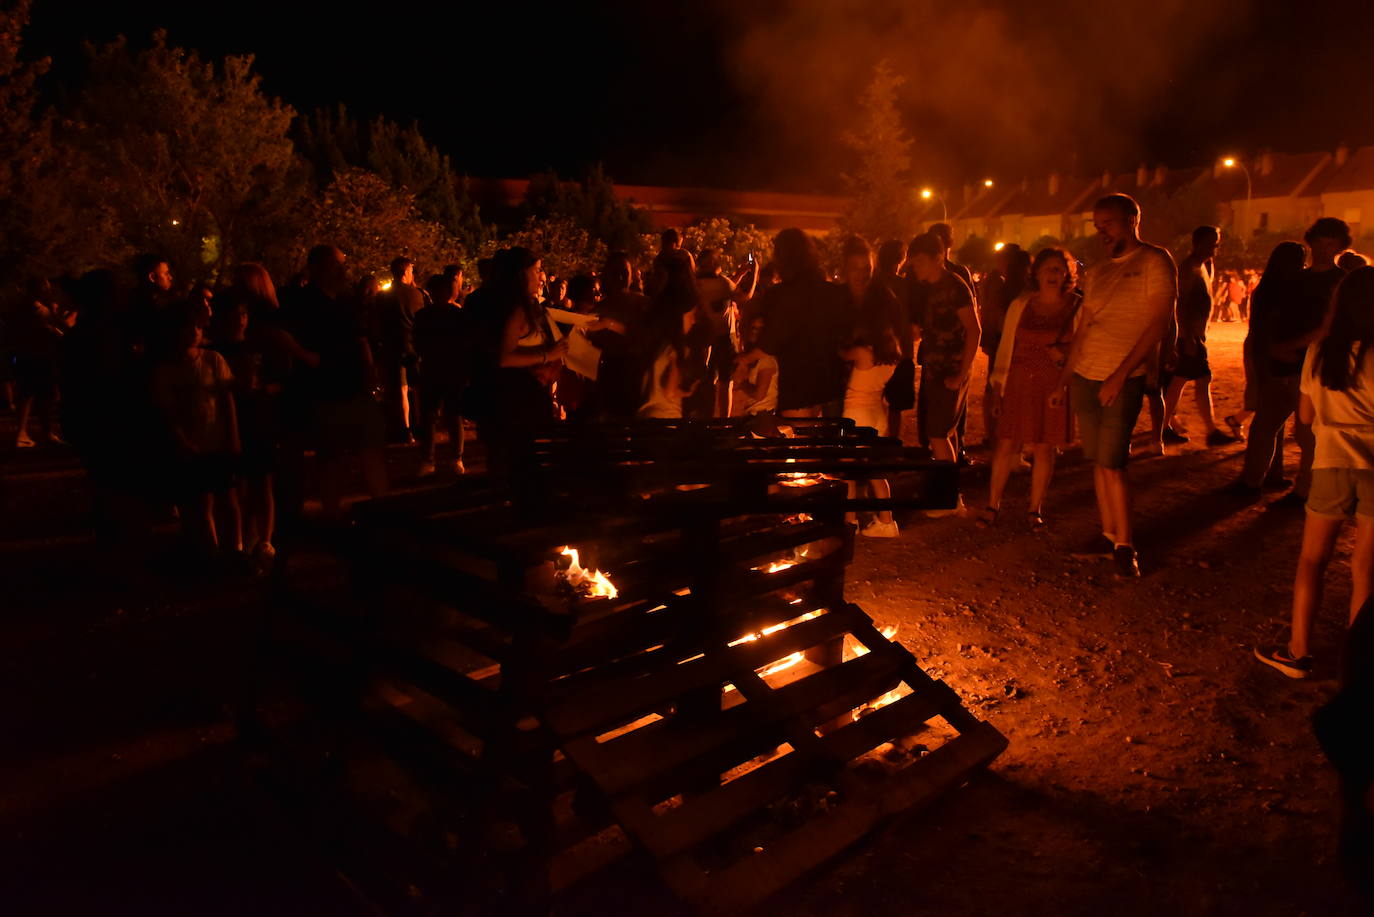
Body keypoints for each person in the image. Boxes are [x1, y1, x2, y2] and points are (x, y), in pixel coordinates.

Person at [1256, 267, 1374, 679]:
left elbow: (1304, 415)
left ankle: (1298, 652)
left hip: (1331, 463)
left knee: (1312, 560)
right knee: (1366, 568)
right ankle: (1359, 658)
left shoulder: (1322, 352)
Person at [1055, 193, 1176, 578]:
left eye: (1107, 223)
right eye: (1097, 225)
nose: (1101, 231)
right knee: (1098, 462)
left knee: (1114, 462)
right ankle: (1109, 535)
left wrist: (1121, 375)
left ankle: (1126, 545)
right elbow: (1084, 328)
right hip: (1086, 375)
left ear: (1132, 219)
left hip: (1121, 379)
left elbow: (1158, 323)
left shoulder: (1155, 261)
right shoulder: (1100, 271)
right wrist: (1065, 379)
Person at [1231, 219, 1352, 503]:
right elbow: (1276, 318)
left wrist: (1288, 347)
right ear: (1311, 242)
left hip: (1315, 368)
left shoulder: (1342, 282)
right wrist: (1272, 350)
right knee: (1263, 427)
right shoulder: (1295, 279)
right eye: (1320, 241)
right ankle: (1251, 483)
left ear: (1340, 246)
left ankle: (1304, 491)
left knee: (1306, 433)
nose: (1324, 248)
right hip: (1281, 366)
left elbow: (1331, 327)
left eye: (1331, 243)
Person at [280, 245, 388, 521]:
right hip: (326, 390)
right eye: (336, 264)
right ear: (317, 268)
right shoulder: (301, 302)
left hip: (353, 387)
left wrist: (369, 369)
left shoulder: (345, 301)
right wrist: (307, 357)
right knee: (331, 456)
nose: (342, 270)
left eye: (343, 264)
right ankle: (332, 513)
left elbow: (359, 338)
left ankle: (385, 511)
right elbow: (277, 333)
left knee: (370, 449)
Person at [983, 247, 1080, 529]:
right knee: (1006, 444)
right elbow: (1006, 347)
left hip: (1053, 384)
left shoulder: (1076, 306)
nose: (1053, 273)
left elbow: (1085, 345)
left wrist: (1064, 354)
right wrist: (998, 386)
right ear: (1036, 273)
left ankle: (1034, 509)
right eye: (1047, 268)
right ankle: (992, 504)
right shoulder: (1021, 304)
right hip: (1019, 382)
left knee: (1044, 448)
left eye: (1059, 269)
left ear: (1067, 274)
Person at [151, 309, 242, 557]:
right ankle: (210, 552)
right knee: (201, 502)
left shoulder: (213, 359)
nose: (195, 333)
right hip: (191, 445)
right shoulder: (166, 369)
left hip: (217, 439)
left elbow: (227, 399)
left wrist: (233, 436)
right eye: (189, 328)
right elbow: (166, 411)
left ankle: (235, 549)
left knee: (228, 498)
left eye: (198, 328)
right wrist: (181, 440)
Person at [755, 228, 851, 417]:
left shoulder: (778, 295)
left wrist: (745, 358)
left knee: (797, 442)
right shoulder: (834, 293)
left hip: (797, 385)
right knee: (833, 442)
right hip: (832, 381)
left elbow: (771, 341)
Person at [1161, 226, 1239, 449]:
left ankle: (1167, 426)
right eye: (1211, 242)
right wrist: (1187, 338)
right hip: (1190, 337)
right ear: (1197, 243)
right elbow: (1180, 304)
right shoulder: (1188, 269)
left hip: (1194, 335)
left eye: (1216, 243)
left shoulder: (1202, 267)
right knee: (1194, 380)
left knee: (1183, 381)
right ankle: (1206, 430)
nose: (1215, 247)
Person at [840, 277, 905, 537]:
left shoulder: (861, 351)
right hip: (878, 413)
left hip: (855, 415)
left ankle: (850, 521)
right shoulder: (892, 352)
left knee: (849, 474)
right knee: (876, 471)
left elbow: (837, 354)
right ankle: (887, 521)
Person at [909, 231, 980, 468]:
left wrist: (960, 374)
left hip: (950, 372)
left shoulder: (954, 288)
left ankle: (947, 496)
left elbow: (974, 330)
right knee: (945, 433)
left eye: (920, 262)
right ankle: (951, 496)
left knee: (937, 434)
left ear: (937, 257)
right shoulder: (931, 288)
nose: (915, 267)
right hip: (935, 371)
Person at [638, 249, 707, 419]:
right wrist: (688, 392)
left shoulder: (658, 344)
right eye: (691, 316)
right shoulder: (676, 350)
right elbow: (669, 391)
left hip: (646, 416)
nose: (694, 321)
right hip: (666, 421)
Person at [413, 273, 470, 477]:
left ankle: (431, 459)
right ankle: (455, 458)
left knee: (433, 417)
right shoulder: (458, 315)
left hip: (437, 369)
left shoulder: (424, 316)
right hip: (447, 369)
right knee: (449, 416)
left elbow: (418, 344)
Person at [692, 247, 757, 417]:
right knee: (725, 381)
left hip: (703, 336)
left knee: (707, 381)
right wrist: (755, 273)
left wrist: (740, 273)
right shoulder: (722, 283)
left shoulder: (696, 283)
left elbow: (728, 287)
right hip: (724, 338)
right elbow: (744, 297)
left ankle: (705, 419)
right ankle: (723, 420)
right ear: (714, 263)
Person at [375, 256, 425, 443]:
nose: (413, 274)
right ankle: (422, 426)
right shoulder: (417, 294)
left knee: (401, 390)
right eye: (411, 271)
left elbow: (378, 322)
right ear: (405, 272)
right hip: (414, 345)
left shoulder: (383, 296)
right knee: (418, 388)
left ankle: (405, 429)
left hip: (393, 346)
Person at [11, 278, 65, 448]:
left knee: (29, 395)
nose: (49, 291)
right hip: (39, 357)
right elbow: (47, 329)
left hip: (28, 356)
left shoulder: (26, 307)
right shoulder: (35, 308)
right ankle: (40, 433)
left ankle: (29, 433)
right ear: (39, 289)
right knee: (43, 396)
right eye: (46, 288)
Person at [874, 240, 914, 439]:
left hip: (874, 351)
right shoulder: (906, 287)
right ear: (901, 258)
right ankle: (892, 443)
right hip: (901, 351)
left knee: (874, 399)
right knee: (896, 406)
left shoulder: (873, 283)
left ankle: (875, 441)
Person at [730, 315, 778, 415]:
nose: (755, 332)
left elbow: (759, 395)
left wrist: (742, 384)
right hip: (757, 413)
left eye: (760, 329)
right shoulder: (753, 357)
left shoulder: (766, 360)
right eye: (753, 328)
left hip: (763, 414)